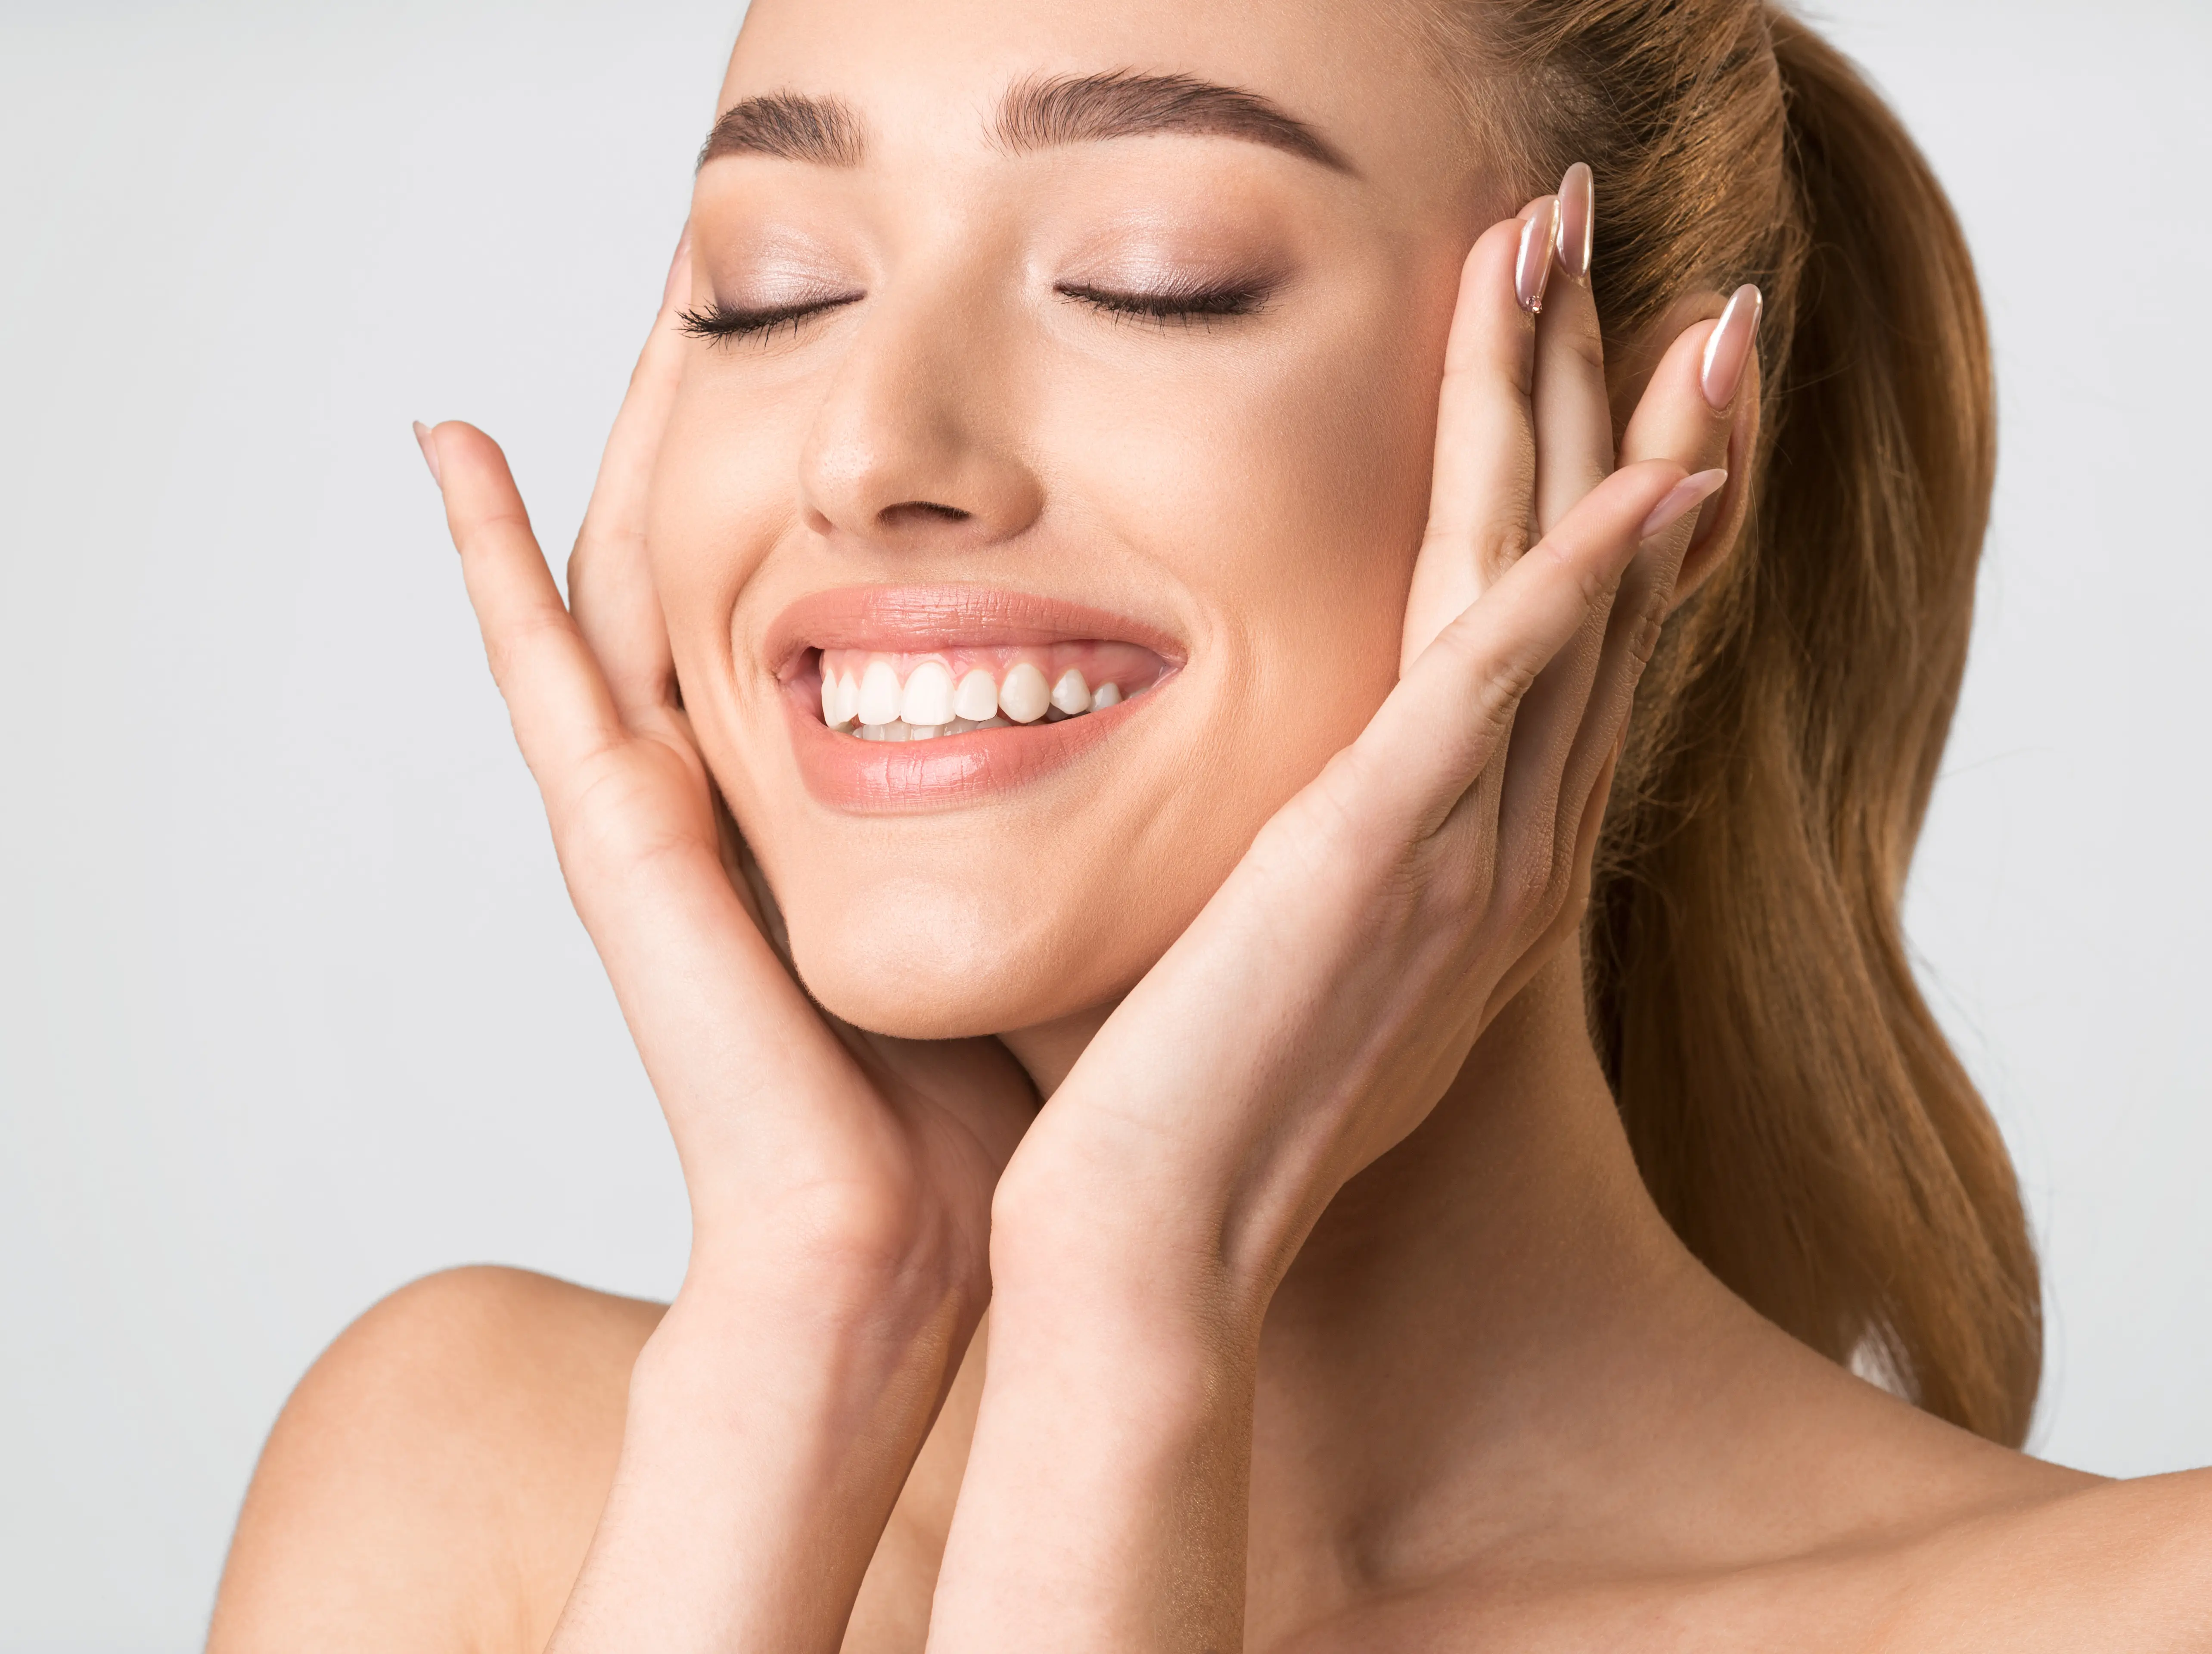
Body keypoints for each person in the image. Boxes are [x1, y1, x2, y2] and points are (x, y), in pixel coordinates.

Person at [205, 0, 2212, 1646]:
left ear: (1659, 451)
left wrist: (1132, 1315)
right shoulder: (463, 1496)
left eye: (1155, 279)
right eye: (767, 294)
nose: (874, 448)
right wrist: (817, 1324)